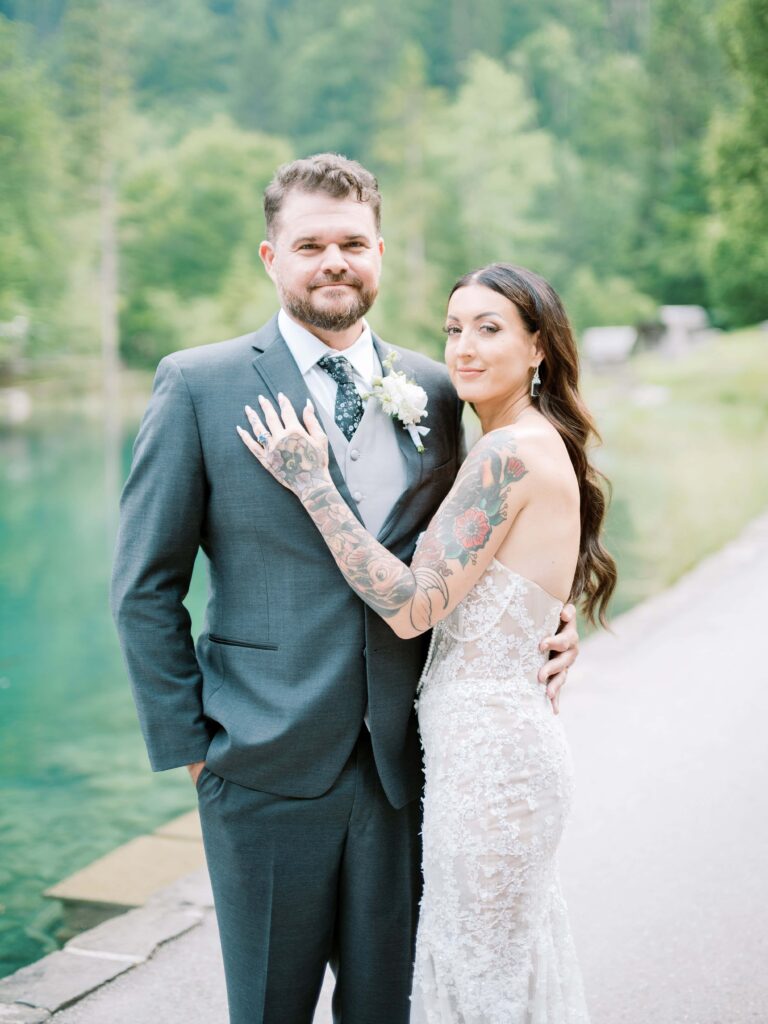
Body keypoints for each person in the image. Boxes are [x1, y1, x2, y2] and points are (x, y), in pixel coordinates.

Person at [111, 154, 581, 1024]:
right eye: (312, 243)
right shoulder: (200, 384)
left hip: (414, 769)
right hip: (260, 761)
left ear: (380, 254)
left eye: (353, 243)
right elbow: (144, 587)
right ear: (270, 256)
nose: (335, 261)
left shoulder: (442, 389)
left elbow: (498, 542)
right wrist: (193, 747)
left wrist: (553, 626)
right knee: (268, 1008)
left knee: (393, 1008)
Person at [238, 261, 616, 1023]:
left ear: (539, 347)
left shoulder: (508, 453)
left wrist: (314, 483)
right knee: (496, 969)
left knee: (480, 977)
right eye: (453, 329)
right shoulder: (529, 440)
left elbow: (414, 608)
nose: (463, 348)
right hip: (488, 749)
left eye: (489, 328)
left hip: (491, 763)